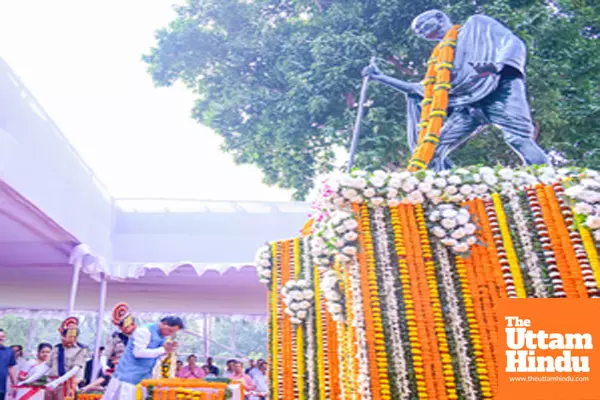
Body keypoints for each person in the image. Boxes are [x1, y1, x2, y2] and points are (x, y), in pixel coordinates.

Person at [362, 9, 549, 171]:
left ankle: (547, 182)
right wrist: (380, 77)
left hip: (499, 91)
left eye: (422, 25)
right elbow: (421, 89)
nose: (419, 31)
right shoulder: (438, 60)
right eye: (417, 31)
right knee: (431, 151)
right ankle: (454, 195)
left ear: (439, 17)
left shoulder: (476, 25)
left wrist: (496, 67)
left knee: (519, 140)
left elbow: (512, 42)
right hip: (467, 105)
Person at [101, 316, 184, 400]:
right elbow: (138, 352)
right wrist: (163, 349)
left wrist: (167, 351)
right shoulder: (144, 330)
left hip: (144, 378)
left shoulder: (163, 336)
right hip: (128, 377)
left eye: (173, 332)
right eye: (170, 330)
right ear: (163, 324)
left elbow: (158, 357)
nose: (170, 334)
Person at [21, 317, 89, 400]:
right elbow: (45, 367)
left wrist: (57, 382)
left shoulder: (81, 350)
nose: (62, 339)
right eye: (62, 336)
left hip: (67, 386)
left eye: (65, 337)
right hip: (51, 384)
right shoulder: (57, 348)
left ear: (73, 337)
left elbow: (75, 370)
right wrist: (28, 381)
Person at [0, 329, 17, 400]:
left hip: (1, 388)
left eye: (3, 336)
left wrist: (15, 385)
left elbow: (11, 369)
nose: (1, 338)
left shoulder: (9, 351)